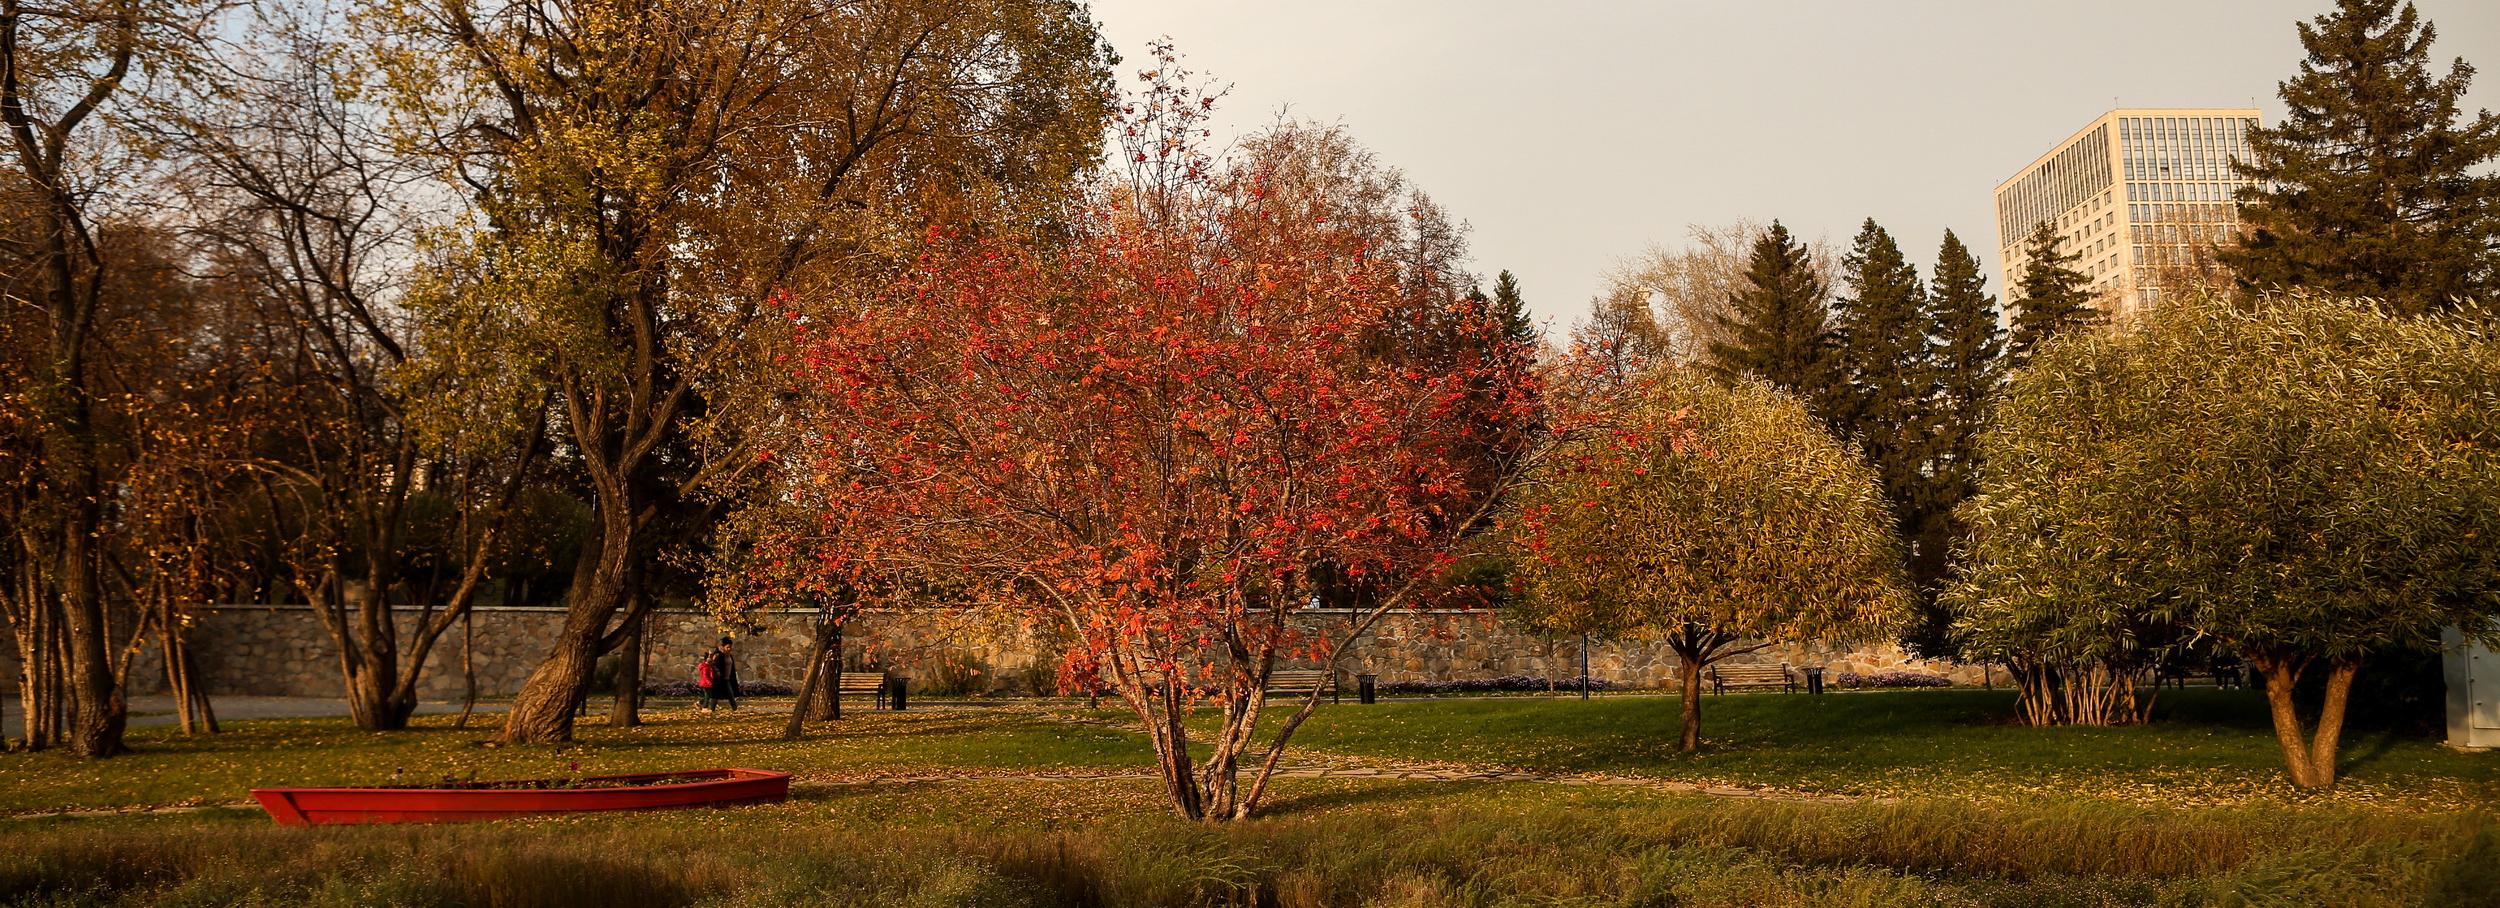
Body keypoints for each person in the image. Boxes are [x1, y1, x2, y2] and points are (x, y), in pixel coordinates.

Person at [702, 636, 742, 712]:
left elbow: (732, 667)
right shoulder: (718, 655)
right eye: (728, 647)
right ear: (723, 647)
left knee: (729, 695)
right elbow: (714, 666)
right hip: (719, 679)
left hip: (727, 679)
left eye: (730, 647)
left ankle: (735, 709)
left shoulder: (729, 656)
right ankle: (711, 709)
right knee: (716, 695)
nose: (729, 649)